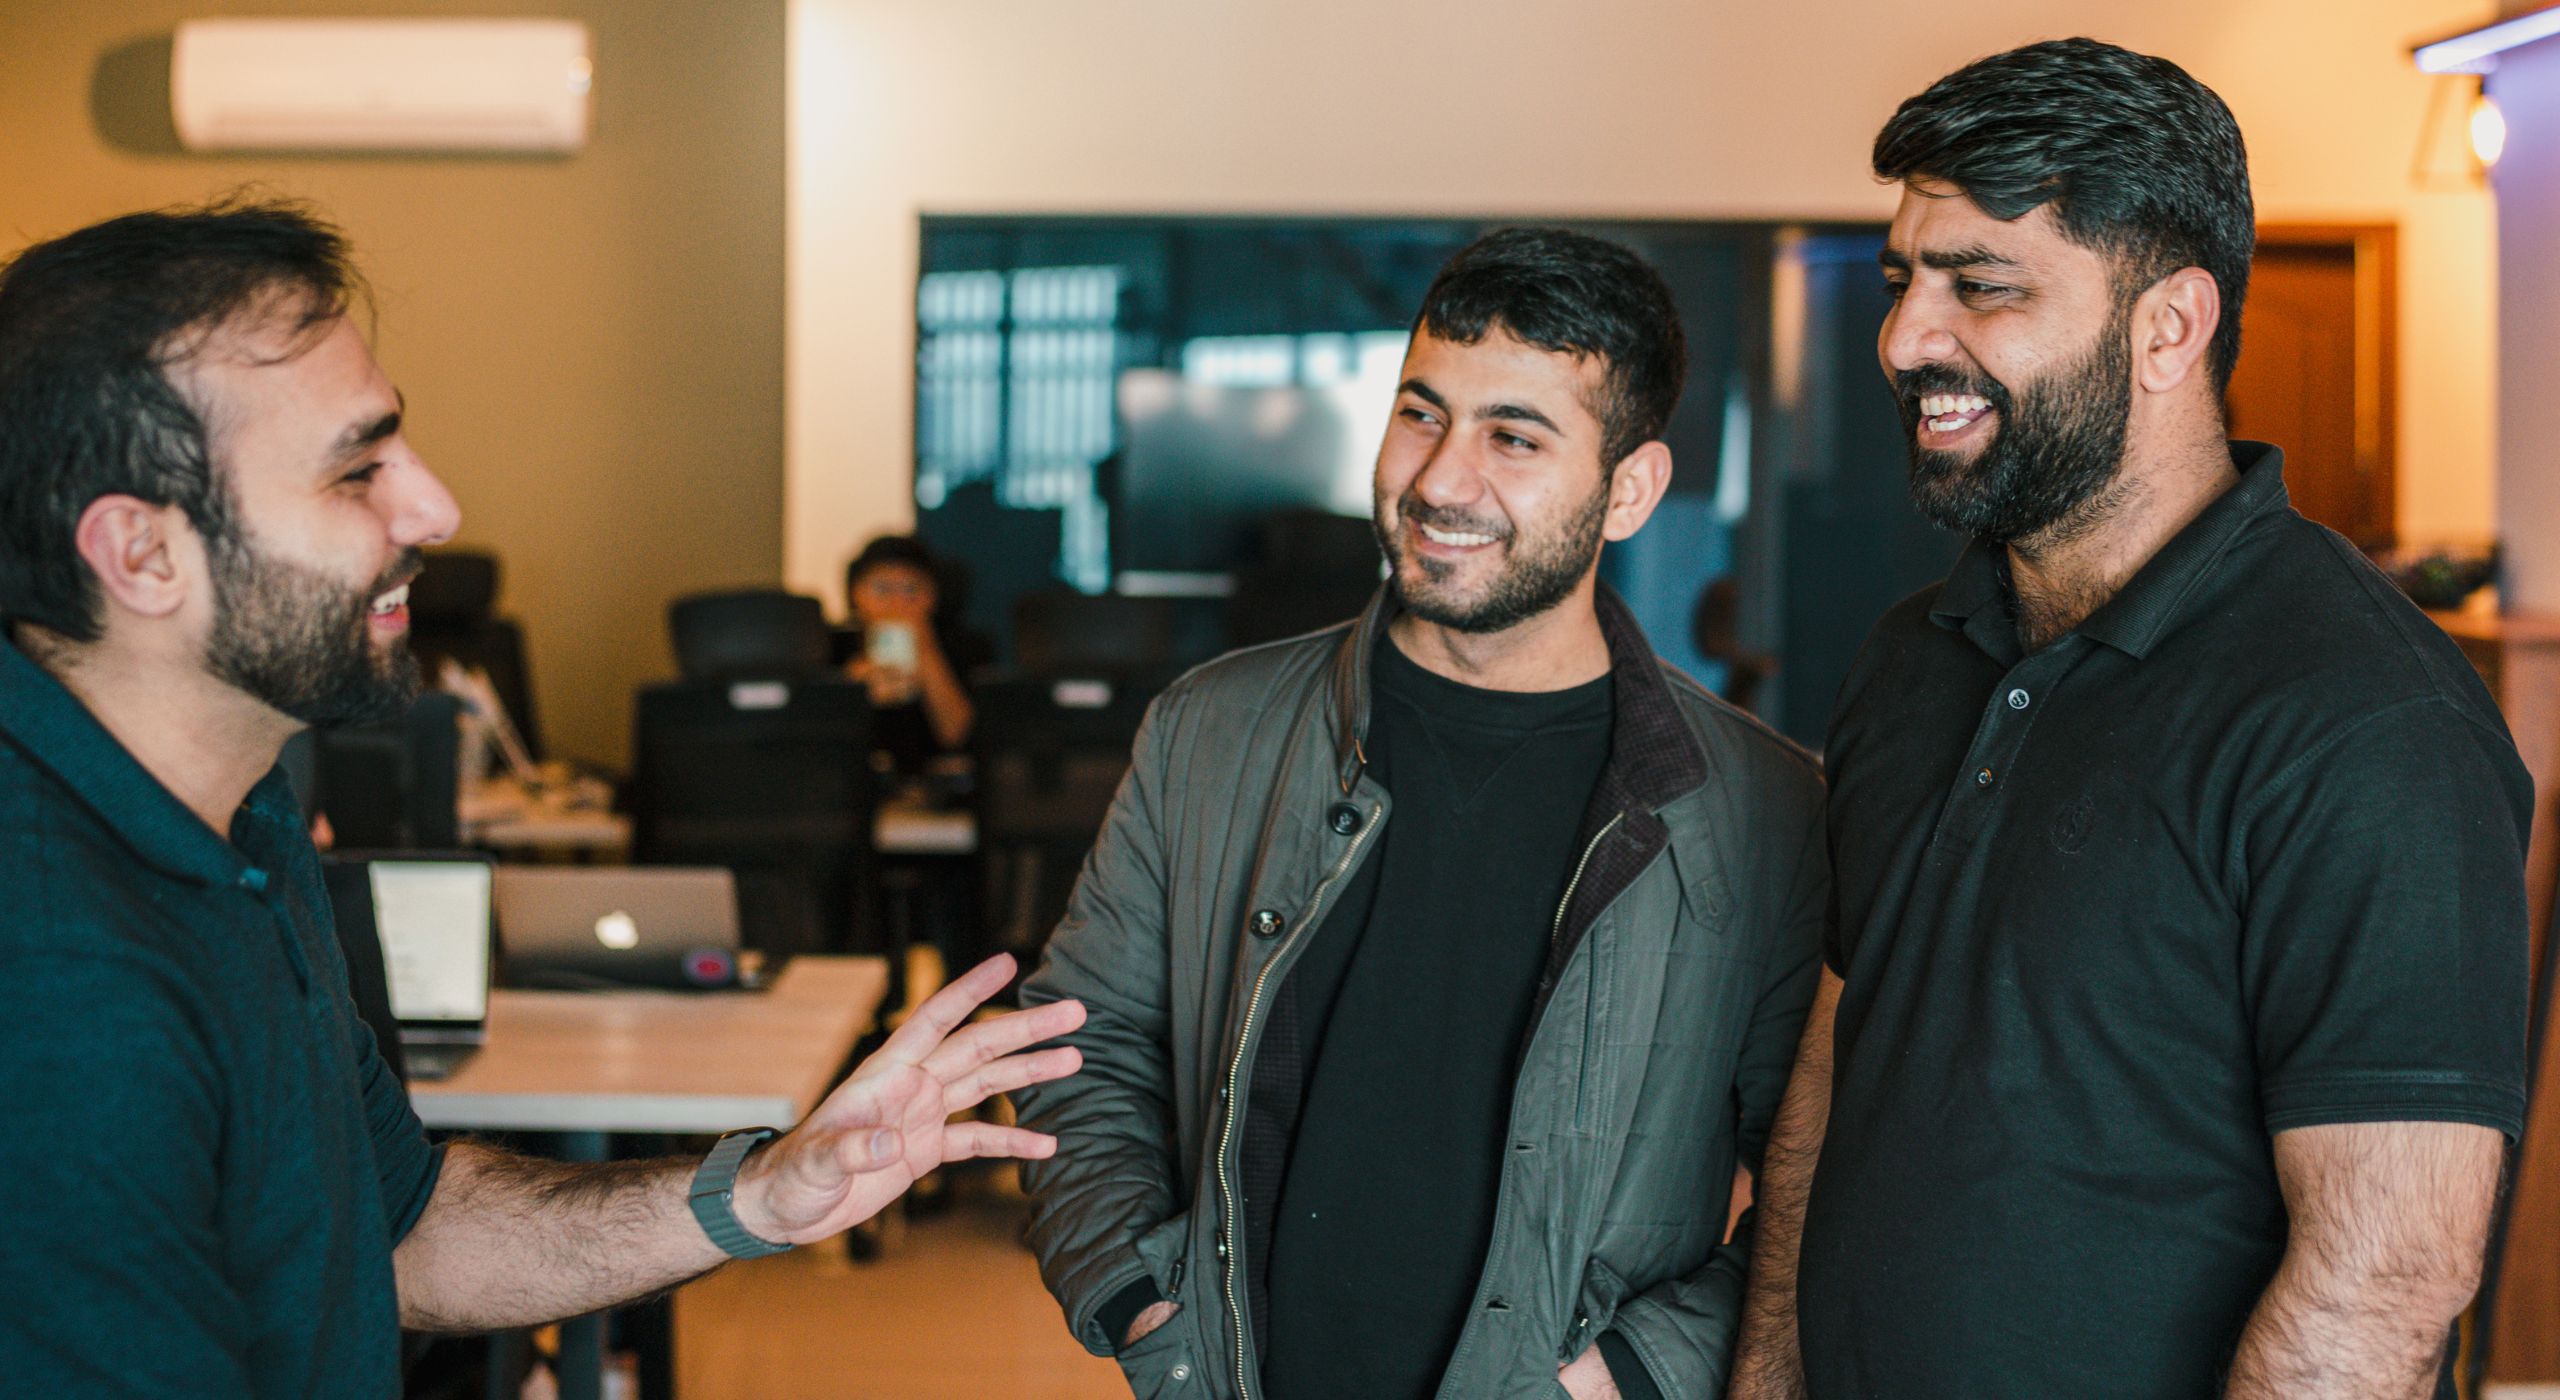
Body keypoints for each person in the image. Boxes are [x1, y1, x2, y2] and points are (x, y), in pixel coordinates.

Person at [0, 198, 1086, 1396]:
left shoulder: (241, 809)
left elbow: (402, 1228)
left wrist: (766, 1190)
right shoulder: (54, 976)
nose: (434, 509)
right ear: (141, 554)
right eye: (357, 469)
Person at [1728, 39, 2531, 1400]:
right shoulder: (1912, 655)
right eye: (1904, 281)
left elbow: (2384, 1278)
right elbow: (1839, 1054)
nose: (1908, 339)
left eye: (1981, 286)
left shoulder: (2365, 715)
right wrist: (1766, 1375)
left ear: (2171, 325)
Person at [1012, 227, 1828, 1400]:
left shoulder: (1763, 810)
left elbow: (1818, 1178)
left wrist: (1621, 1379)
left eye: (1514, 435)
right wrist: (1145, 1304)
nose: (1442, 479)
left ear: (1631, 489)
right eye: (1419, 412)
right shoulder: (1210, 728)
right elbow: (1080, 1045)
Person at [842, 533, 986, 773]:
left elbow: (963, 737)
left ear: (933, 596)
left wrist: (927, 653)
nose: (897, 602)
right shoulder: (830, 646)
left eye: (911, 589)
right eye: (882, 588)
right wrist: (852, 690)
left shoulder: (966, 648)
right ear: (856, 594)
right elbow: (818, 746)